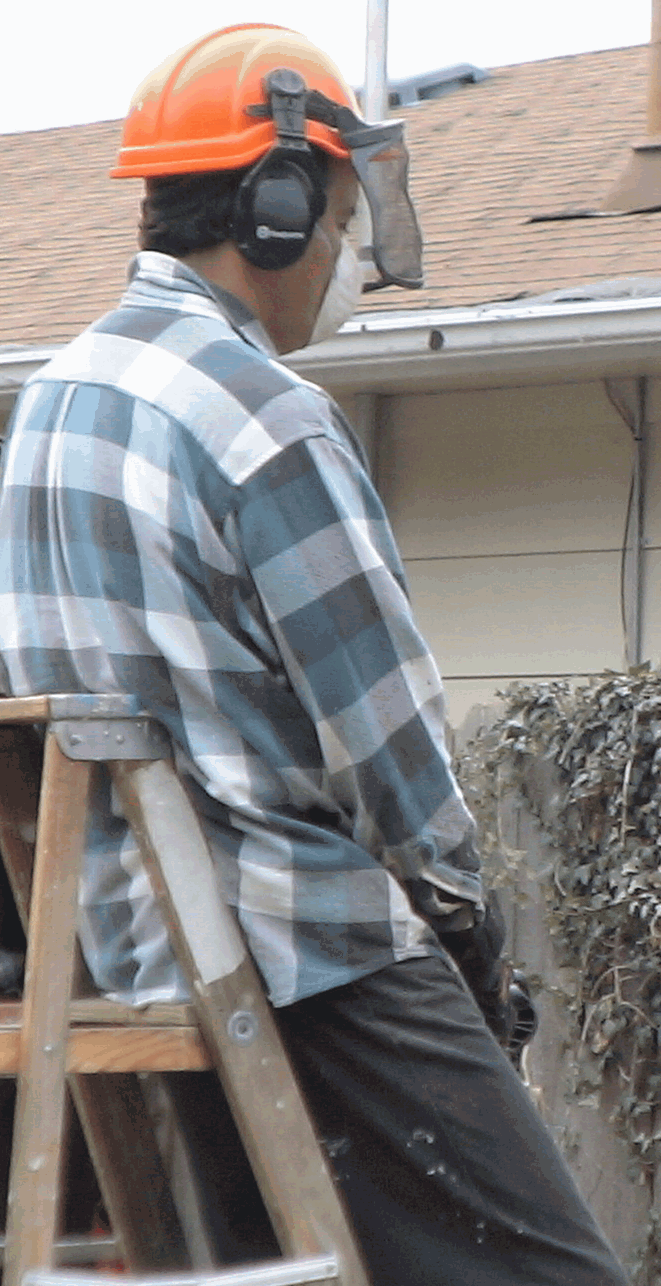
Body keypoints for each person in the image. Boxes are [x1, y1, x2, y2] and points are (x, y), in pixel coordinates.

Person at [0, 24, 628, 1286]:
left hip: (122, 959)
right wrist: (468, 944)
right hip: (297, 950)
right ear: (273, 213)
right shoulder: (266, 415)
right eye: (340, 220)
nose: (344, 255)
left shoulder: (50, 403)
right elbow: (386, 738)